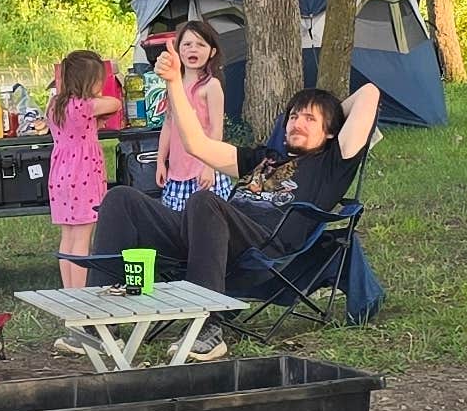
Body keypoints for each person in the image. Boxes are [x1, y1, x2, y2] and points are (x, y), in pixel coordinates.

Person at [88, 16, 238, 286]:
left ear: (212, 51)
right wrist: (160, 161)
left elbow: (216, 129)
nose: (193, 50)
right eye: (187, 44)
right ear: (178, 50)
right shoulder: (174, 84)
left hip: (202, 173)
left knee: (202, 229)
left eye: (200, 45)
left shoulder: (211, 86)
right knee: (175, 230)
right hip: (177, 174)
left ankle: (206, 279)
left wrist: (210, 166)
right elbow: (168, 123)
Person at [206, 76, 379, 290]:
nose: (297, 124)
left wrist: (330, 116)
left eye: (309, 119)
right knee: (154, 209)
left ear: (331, 131)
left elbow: (369, 92)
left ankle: (208, 311)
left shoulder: (330, 165)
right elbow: (196, 146)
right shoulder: (264, 157)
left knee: (206, 201)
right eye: (294, 117)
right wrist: (174, 82)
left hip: (262, 251)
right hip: (217, 240)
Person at [47, 47, 114, 285]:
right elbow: (114, 103)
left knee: (68, 236)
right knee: (83, 237)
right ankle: (80, 294)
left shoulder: (55, 104)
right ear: (90, 81)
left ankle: (68, 291)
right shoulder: (87, 106)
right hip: (84, 175)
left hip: (60, 175)